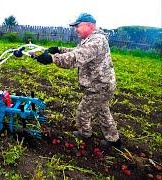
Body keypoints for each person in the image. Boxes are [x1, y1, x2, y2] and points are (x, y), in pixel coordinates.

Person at [34, 13, 121, 148]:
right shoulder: (91, 39)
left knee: (83, 112)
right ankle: (114, 140)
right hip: (102, 84)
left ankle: (85, 134)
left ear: (89, 25)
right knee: (103, 111)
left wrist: (52, 58)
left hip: (99, 86)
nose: (75, 29)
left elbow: (76, 57)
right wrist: (59, 50)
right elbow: (77, 50)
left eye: (78, 26)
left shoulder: (97, 41)